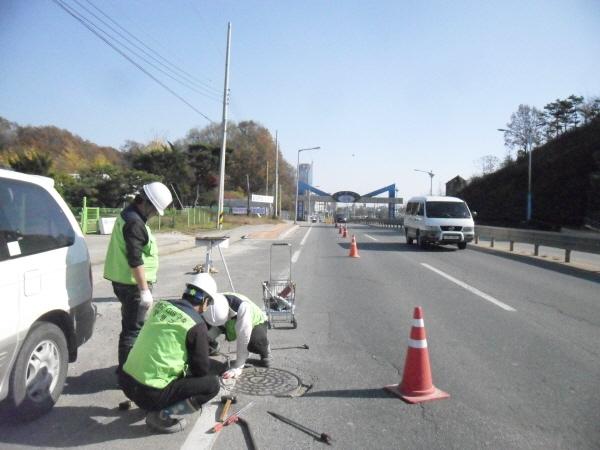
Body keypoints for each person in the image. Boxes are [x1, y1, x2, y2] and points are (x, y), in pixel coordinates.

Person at [118, 274, 220, 433]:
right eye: (210, 303)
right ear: (205, 301)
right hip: (149, 394)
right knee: (212, 385)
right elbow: (201, 369)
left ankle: (151, 400)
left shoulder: (161, 306)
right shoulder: (196, 324)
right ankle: (163, 415)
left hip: (126, 382)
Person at [103, 181, 173, 371]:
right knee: (133, 331)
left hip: (124, 282)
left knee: (130, 326)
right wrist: (144, 290)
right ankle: (127, 373)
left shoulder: (129, 214)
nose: (154, 214)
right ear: (147, 203)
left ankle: (128, 368)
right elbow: (135, 259)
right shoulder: (134, 222)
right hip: (132, 285)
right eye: (154, 210)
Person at [196, 274, 272, 379]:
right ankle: (212, 347)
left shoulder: (242, 308)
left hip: (255, 323)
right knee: (201, 337)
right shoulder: (209, 305)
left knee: (255, 342)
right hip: (224, 324)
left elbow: (243, 340)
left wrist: (238, 367)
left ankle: (265, 351)